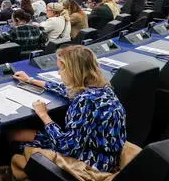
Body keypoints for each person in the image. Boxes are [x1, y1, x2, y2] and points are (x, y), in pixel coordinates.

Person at [10, 45, 126, 173]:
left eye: (60, 69)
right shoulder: (103, 88)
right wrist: (30, 80)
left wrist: (43, 115)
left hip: (91, 162)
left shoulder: (86, 102)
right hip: (101, 153)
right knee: (23, 134)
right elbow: (68, 90)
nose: (59, 73)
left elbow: (65, 147)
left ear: (72, 71)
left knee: (16, 139)